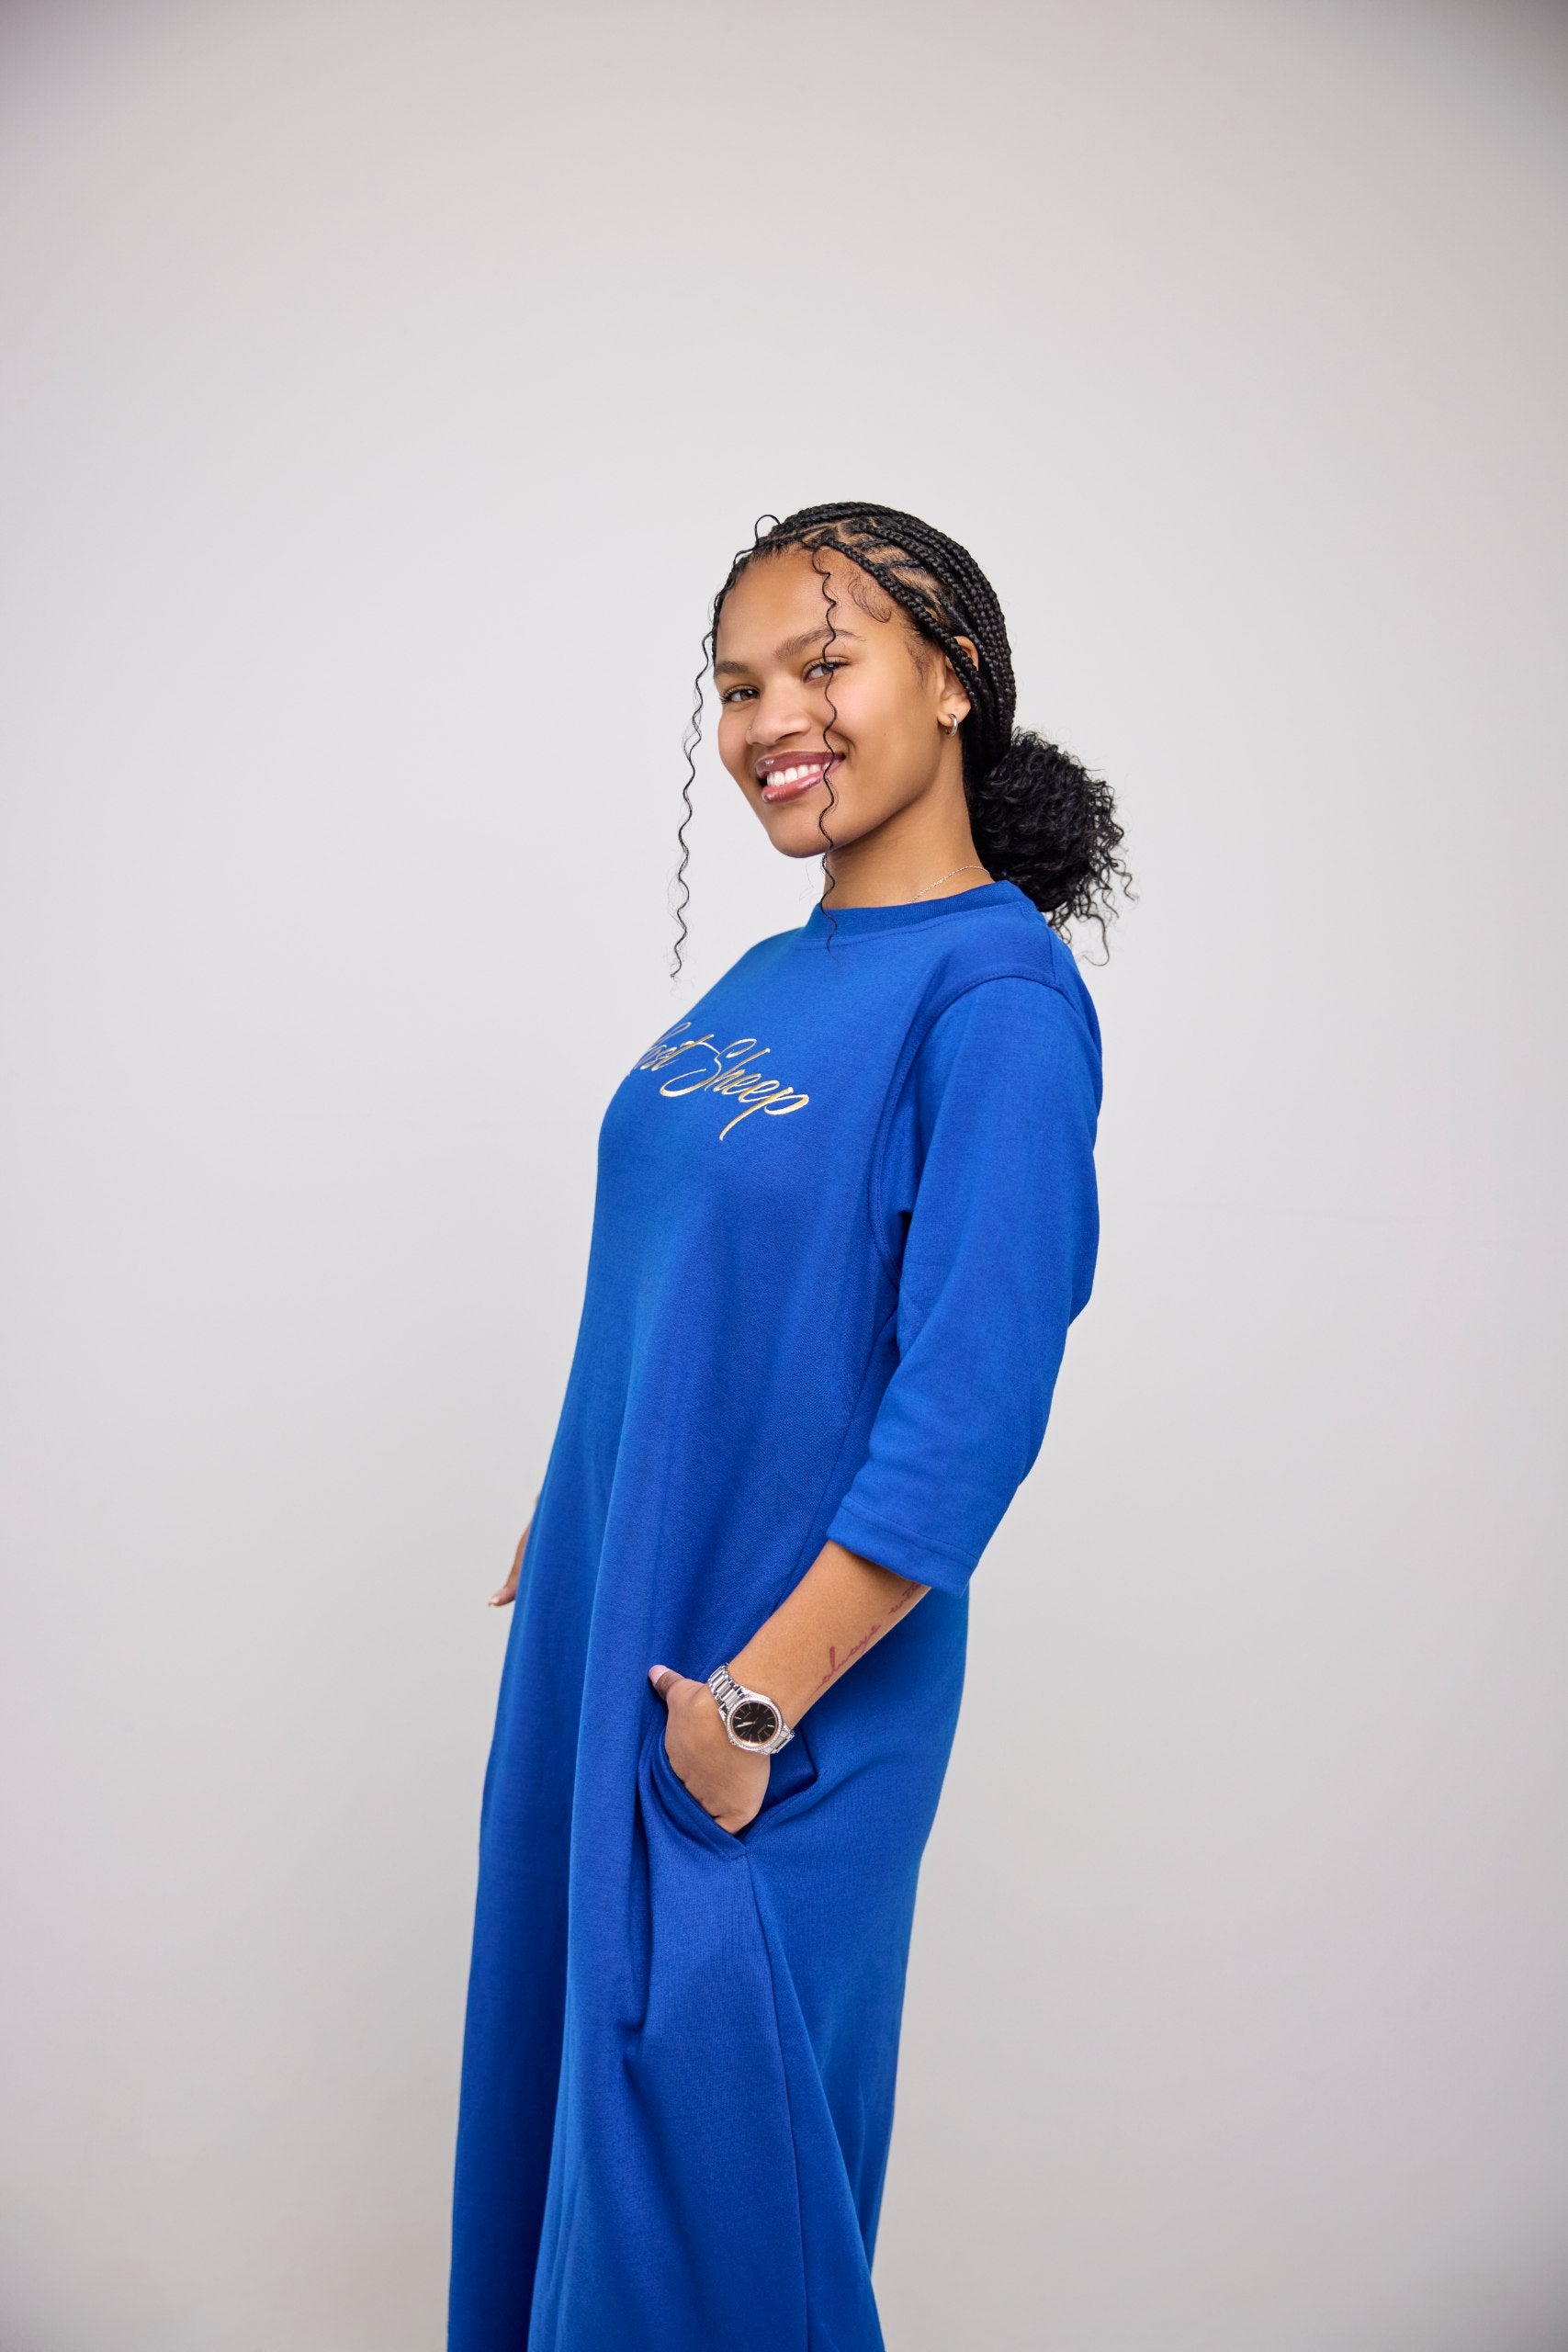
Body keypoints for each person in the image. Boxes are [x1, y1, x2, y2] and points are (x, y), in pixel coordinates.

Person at [446, 501, 1128, 2351]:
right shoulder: (765, 976)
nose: (770, 722)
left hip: (771, 1707)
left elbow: (967, 1413)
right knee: (571, 2150)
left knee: (706, 2230)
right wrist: (588, 1500)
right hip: (617, 1645)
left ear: (950, 678)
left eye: (821, 665)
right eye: (739, 687)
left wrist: (748, 1711)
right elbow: (695, 1280)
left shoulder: (996, 1000)